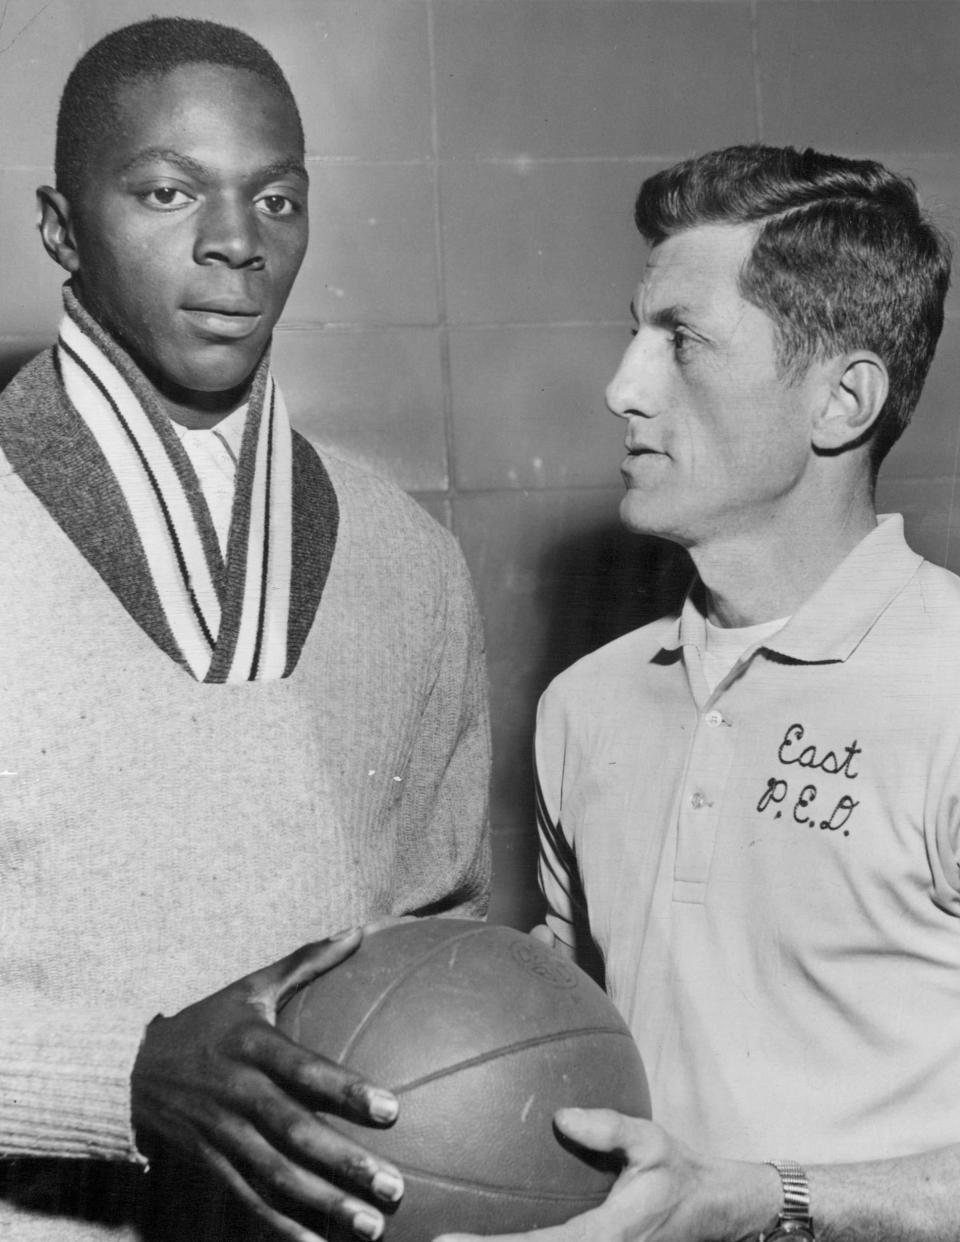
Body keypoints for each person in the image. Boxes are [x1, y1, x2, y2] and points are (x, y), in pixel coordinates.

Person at [0, 16, 490, 1242]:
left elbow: (438, 933)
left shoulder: (409, 559)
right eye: (168, 192)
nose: (234, 244)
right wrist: (114, 1079)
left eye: (277, 199)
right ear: (62, 226)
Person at [435, 145, 960, 1242]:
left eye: (683, 341)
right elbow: (572, 1034)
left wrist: (772, 1202)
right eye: (636, 334)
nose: (623, 387)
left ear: (844, 399)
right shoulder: (587, 702)